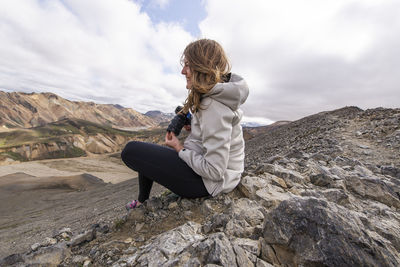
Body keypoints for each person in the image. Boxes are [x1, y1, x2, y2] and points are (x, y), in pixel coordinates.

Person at [121, 39, 249, 209]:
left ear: (202, 67)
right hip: (212, 175)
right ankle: (141, 201)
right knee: (150, 153)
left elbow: (214, 171)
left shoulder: (214, 108)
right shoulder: (212, 99)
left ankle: (141, 202)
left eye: (187, 65)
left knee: (131, 151)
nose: (183, 71)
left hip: (209, 183)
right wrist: (194, 125)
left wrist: (179, 148)